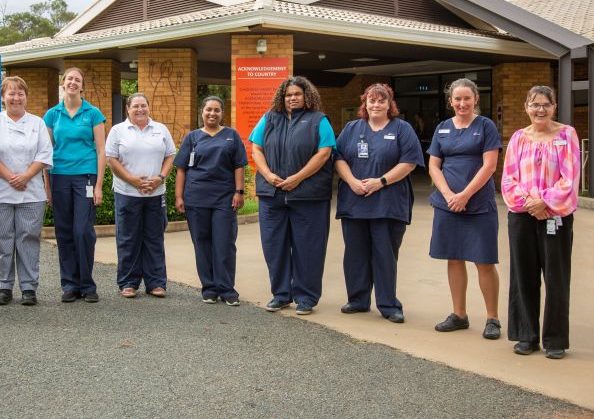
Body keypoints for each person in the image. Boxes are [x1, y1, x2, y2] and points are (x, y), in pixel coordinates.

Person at [501, 86, 580, 359]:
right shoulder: (518, 139)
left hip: (555, 217)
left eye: (546, 105)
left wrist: (544, 201)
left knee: (556, 278)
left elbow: (569, 179)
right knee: (523, 276)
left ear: (554, 107)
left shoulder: (567, 135)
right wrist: (530, 204)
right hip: (523, 217)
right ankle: (526, 335)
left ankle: (555, 339)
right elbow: (508, 179)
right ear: (526, 107)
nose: (540, 110)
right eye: (535, 105)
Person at [334, 83, 423, 323]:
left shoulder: (402, 129)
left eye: (381, 101)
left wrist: (380, 182)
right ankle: (358, 300)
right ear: (365, 103)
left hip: (388, 203)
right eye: (371, 101)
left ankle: (388, 304)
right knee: (355, 254)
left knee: (384, 255)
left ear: (389, 104)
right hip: (354, 202)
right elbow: (338, 157)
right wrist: (352, 181)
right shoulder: (352, 128)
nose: (376, 105)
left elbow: (410, 162)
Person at [249, 76, 335, 315]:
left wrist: (297, 178)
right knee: (274, 246)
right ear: (282, 97)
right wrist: (267, 175)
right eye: (288, 95)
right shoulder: (269, 119)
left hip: (309, 196)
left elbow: (324, 152)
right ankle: (281, 294)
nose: (292, 98)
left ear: (307, 96)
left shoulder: (319, 120)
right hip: (272, 195)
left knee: (309, 248)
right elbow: (256, 147)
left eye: (297, 94)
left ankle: (306, 297)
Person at [428, 78, 502, 339]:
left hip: (478, 205)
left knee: (484, 260)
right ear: (450, 102)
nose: (462, 103)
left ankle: (492, 318)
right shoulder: (442, 128)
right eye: (457, 99)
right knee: (454, 257)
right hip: (448, 205)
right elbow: (434, 165)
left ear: (476, 100)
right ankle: (459, 314)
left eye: (467, 98)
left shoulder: (486, 127)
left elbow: (490, 166)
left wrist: (465, 195)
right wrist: (449, 195)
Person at [0, 76, 53, 306]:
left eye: (20, 93)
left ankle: (29, 287)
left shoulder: (37, 123)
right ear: (3, 97)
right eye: (11, 93)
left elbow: (44, 154)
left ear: (26, 97)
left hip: (31, 193)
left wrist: (26, 176)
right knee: (2, 240)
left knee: (28, 239)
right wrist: (11, 177)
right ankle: (3, 286)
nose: (16, 98)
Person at [174, 96, 248, 306]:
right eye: (208, 110)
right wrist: (179, 196)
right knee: (202, 243)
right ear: (202, 112)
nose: (212, 114)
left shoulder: (231, 136)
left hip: (224, 198)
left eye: (216, 110)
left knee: (224, 243)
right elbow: (181, 169)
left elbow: (239, 166)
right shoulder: (192, 137)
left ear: (222, 113)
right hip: (196, 198)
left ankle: (226, 289)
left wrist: (239, 192)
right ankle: (209, 288)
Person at [43, 67, 106, 303]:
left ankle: (87, 285)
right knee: (64, 232)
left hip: (86, 178)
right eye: (69, 78)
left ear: (82, 85)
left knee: (83, 231)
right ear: (62, 82)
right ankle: (69, 284)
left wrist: (98, 185)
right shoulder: (52, 115)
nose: (72, 82)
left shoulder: (93, 113)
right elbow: (45, 154)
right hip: (59, 177)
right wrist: (47, 188)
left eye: (77, 80)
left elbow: (101, 151)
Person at [106, 93, 175, 299]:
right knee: (128, 238)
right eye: (135, 106)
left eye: (143, 106)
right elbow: (111, 159)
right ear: (128, 109)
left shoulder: (161, 129)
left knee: (154, 238)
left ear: (148, 107)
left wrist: (160, 178)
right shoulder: (118, 131)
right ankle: (128, 283)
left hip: (155, 193)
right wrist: (132, 180)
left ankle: (156, 283)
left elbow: (170, 155)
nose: (140, 109)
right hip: (127, 193)